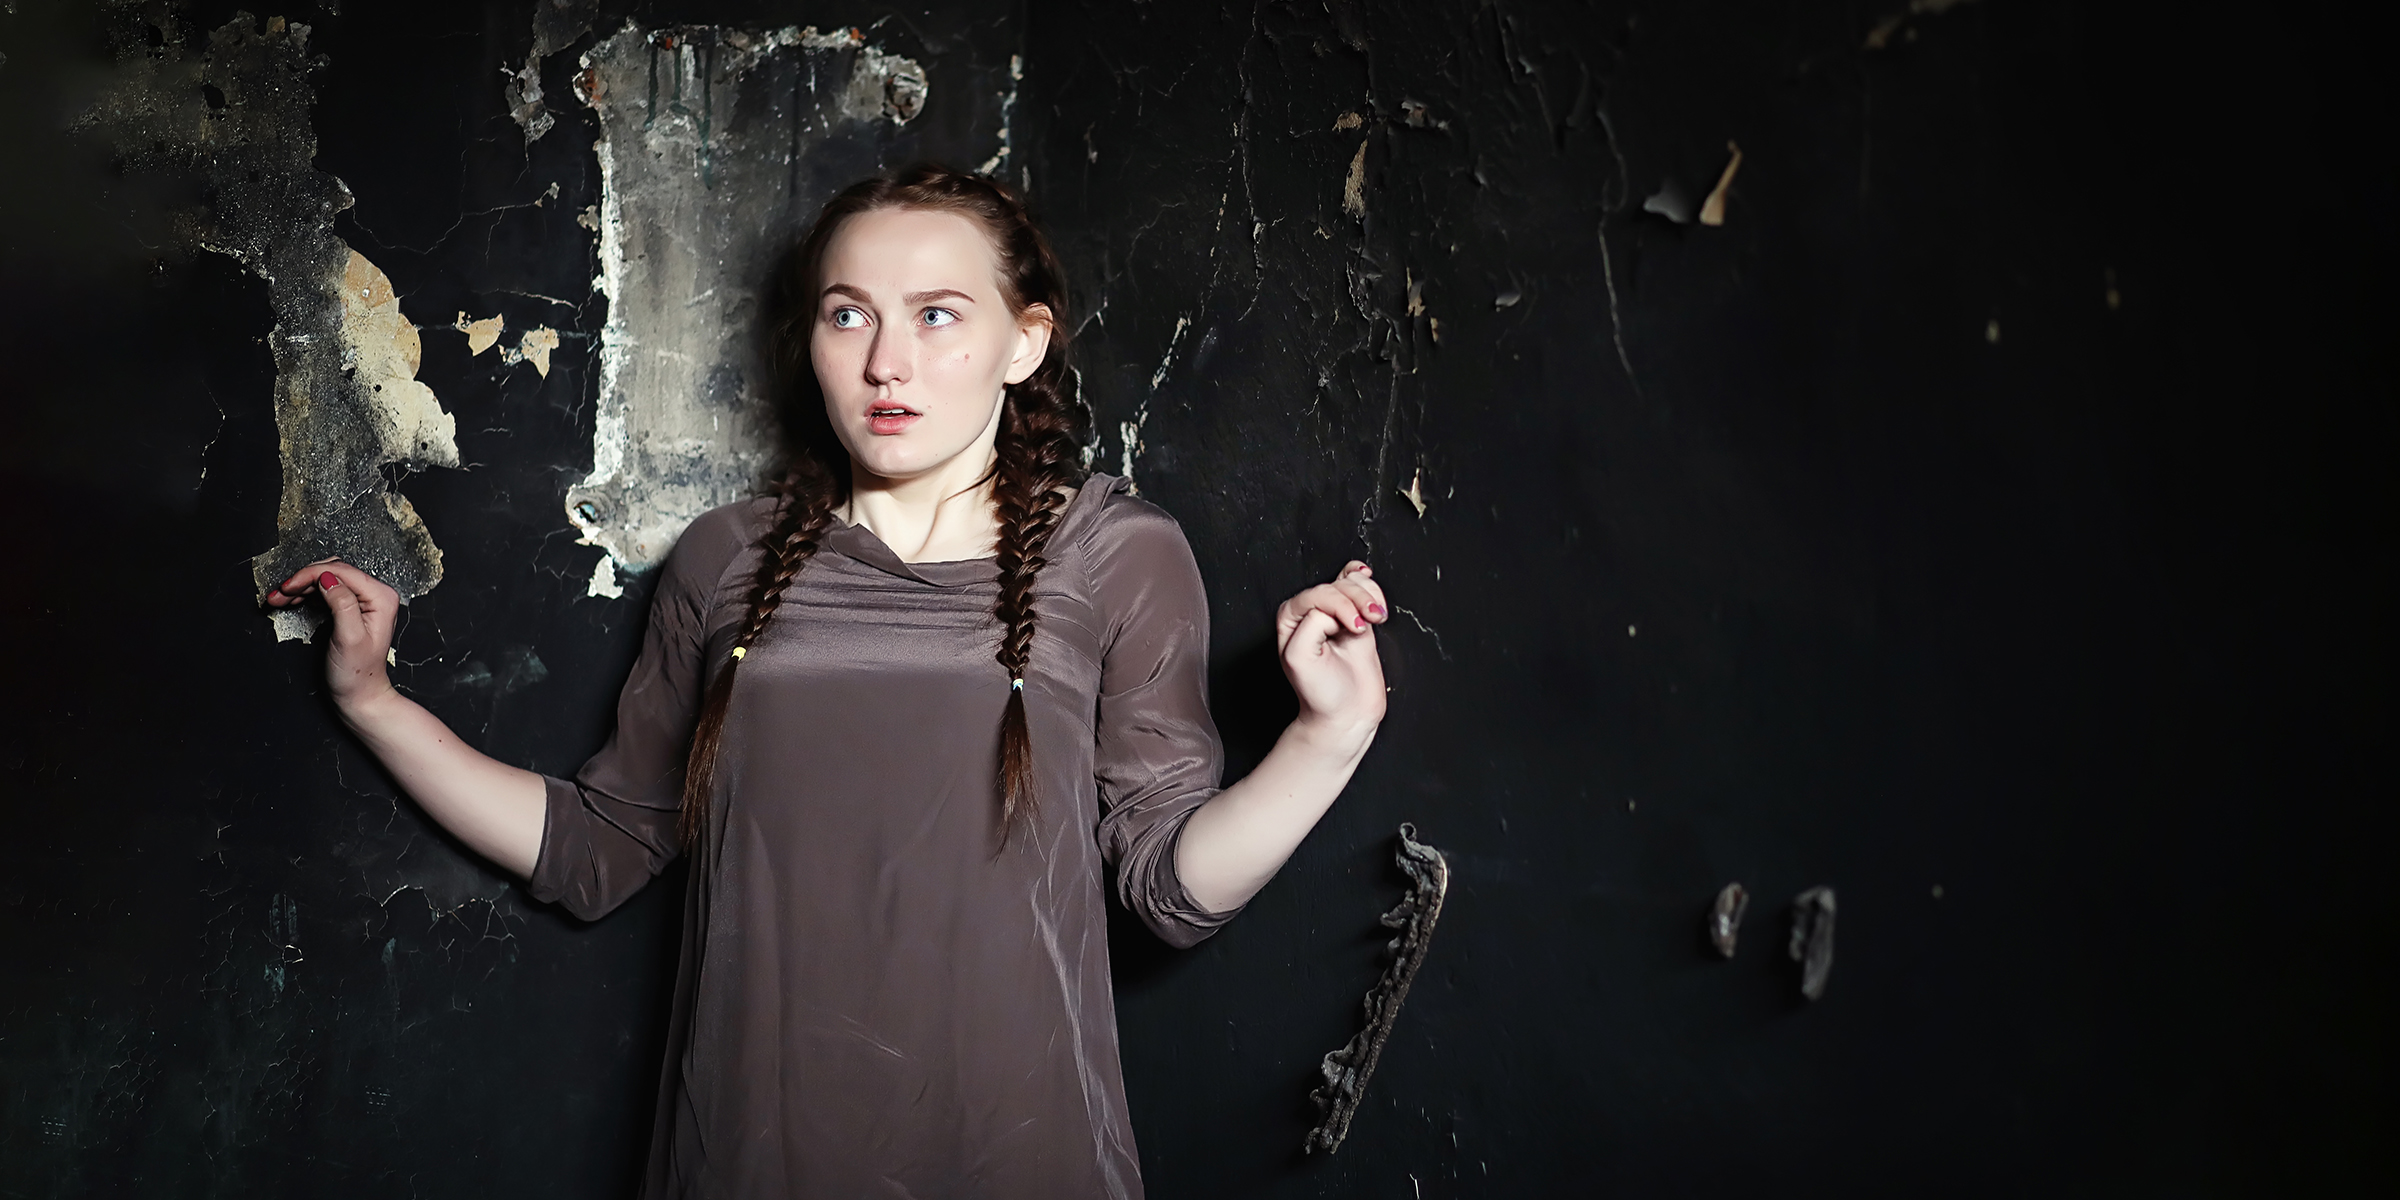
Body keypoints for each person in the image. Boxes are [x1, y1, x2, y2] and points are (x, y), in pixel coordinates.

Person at [264, 164, 1389, 1198]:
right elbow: (600, 846)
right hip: (758, 1148)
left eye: (937, 316)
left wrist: (1326, 738)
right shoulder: (724, 558)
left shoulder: (1117, 552)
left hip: (1015, 1144)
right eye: (849, 313)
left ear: (1024, 342)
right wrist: (372, 698)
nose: (884, 362)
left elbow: (1167, 887)